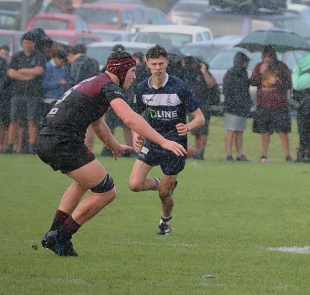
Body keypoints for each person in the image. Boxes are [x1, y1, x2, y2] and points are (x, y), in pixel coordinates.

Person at [37, 50, 187, 256]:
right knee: (106, 191)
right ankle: (61, 235)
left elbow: (97, 122)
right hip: (63, 142)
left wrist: (114, 144)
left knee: (84, 183)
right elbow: (131, 119)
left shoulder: (96, 82)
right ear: (122, 71)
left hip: (48, 139)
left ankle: (55, 232)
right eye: (133, 71)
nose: (135, 76)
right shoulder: (108, 86)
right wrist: (164, 141)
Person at [128, 45, 205, 236]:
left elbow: (200, 118)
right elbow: (134, 117)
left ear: (167, 63)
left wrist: (187, 127)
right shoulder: (141, 89)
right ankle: (160, 182)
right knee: (134, 185)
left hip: (175, 145)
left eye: (161, 63)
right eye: (153, 64)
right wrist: (135, 133)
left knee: (164, 194)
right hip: (153, 142)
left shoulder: (180, 87)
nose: (158, 68)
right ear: (147, 64)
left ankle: (165, 221)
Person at [251, 45, 293, 162]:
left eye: (269, 56)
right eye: (265, 56)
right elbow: (253, 82)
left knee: (283, 131)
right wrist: (260, 73)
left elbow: (288, 85)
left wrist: (278, 81)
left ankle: (288, 155)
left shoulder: (282, 67)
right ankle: (264, 155)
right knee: (265, 131)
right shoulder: (258, 67)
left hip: (279, 104)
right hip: (263, 104)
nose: (267, 59)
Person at [6, 33, 46, 154]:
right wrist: (28, 76)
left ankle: (31, 146)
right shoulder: (17, 56)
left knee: (31, 120)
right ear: (22, 44)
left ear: (34, 43)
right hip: (17, 93)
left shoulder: (39, 56)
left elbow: (39, 70)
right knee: (14, 120)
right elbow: (11, 73)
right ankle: (10, 146)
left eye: (29, 42)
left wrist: (22, 70)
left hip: (33, 94)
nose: (27, 45)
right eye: (25, 43)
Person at [180, 56, 216, 160]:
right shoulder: (190, 73)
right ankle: (196, 152)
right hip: (193, 106)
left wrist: (204, 71)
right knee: (195, 130)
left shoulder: (203, 74)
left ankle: (201, 152)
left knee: (203, 131)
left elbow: (211, 84)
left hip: (204, 104)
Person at [222, 52, 252, 162]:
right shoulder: (231, 74)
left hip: (241, 107)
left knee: (239, 131)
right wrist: (234, 102)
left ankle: (239, 154)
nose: (247, 64)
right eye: (246, 62)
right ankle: (229, 154)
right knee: (231, 131)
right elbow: (227, 90)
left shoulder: (243, 74)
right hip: (233, 108)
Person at [41, 48, 71, 117]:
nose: (62, 63)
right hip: (49, 100)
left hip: (61, 99)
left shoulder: (65, 68)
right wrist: (58, 83)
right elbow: (43, 84)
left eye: (64, 62)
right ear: (55, 58)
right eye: (61, 61)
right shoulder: (47, 67)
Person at [0, 47, 10, 152]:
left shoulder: (7, 66)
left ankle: (4, 146)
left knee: (4, 123)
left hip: (5, 98)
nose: (3, 56)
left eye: (5, 54)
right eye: (2, 53)